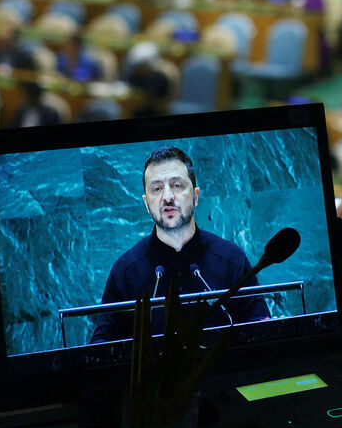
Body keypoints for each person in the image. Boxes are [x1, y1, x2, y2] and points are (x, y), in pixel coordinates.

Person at [91, 147, 270, 343]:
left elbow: (262, 329)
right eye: (157, 189)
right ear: (146, 204)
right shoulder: (125, 270)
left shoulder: (231, 259)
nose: (167, 197)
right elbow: (101, 345)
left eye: (177, 185)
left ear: (195, 196)